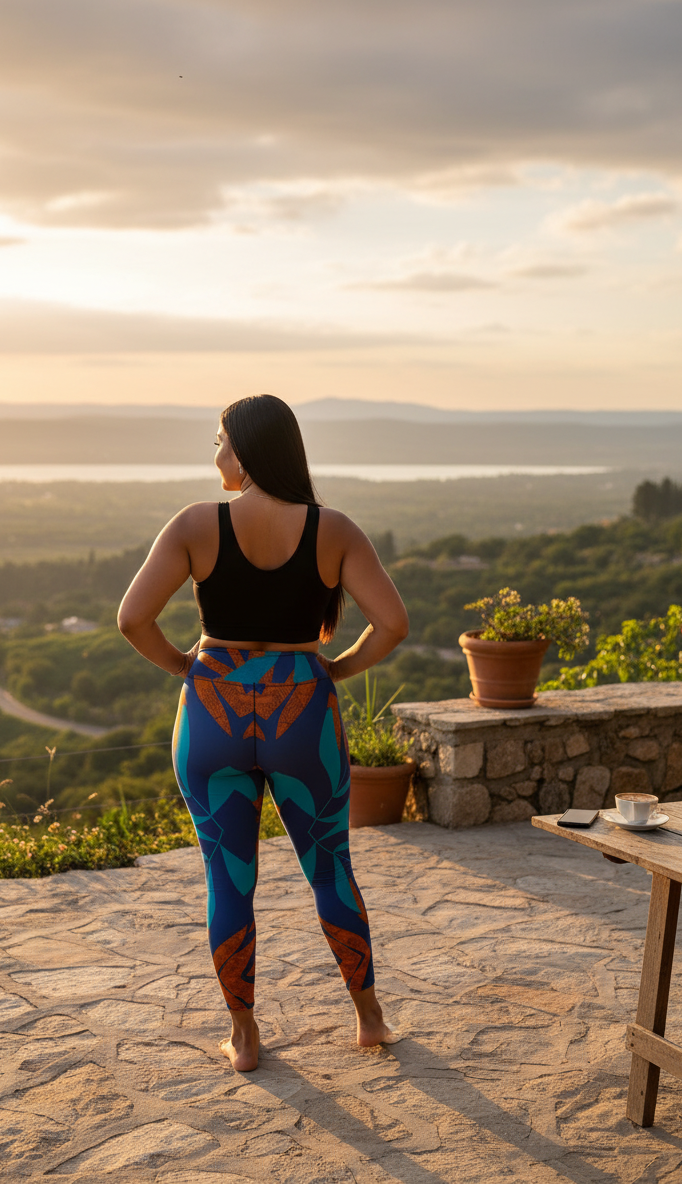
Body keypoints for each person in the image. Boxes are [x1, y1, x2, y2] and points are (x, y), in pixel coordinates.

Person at [118, 394, 409, 1071]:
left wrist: (184, 667)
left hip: (213, 710)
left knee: (227, 881)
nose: (215, 455)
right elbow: (392, 624)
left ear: (244, 452)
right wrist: (334, 667)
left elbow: (134, 618)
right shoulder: (332, 529)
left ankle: (245, 1037)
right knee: (330, 870)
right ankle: (369, 1020)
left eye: (219, 441)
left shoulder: (195, 524)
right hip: (302, 710)